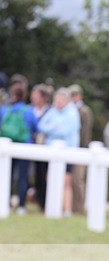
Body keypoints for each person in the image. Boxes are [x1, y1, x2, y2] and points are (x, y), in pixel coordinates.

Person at [37, 87, 80, 216]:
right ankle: (53, 207)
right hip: (51, 150)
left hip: (67, 151)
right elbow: (41, 125)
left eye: (61, 99)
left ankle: (66, 209)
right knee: (50, 178)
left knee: (66, 181)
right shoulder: (52, 111)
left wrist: (52, 129)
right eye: (57, 99)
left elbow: (65, 131)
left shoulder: (72, 113)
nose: (59, 102)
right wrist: (54, 128)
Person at [0, 81, 38, 215]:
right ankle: (21, 206)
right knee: (23, 177)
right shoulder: (28, 111)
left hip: (8, 146)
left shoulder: (5, 110)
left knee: (6, 176)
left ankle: (6, 202)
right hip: (24, 146)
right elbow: (35, 127)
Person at [68, 84, 94, 214]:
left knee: (77, 180)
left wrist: (81, 147)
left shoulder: (84, 111)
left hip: (81, 149)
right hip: (72, 148)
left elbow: (85, 132)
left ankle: (79, 208)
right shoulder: (70, 110)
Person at [30, 83, 53, 210]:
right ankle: (38, 199)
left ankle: (44, 202)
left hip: (45, 148)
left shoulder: (50, 111)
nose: (33, 98)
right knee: (35, 175)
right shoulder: (30, 110)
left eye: (36, 95)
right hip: (31, 146)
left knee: (44, 175)